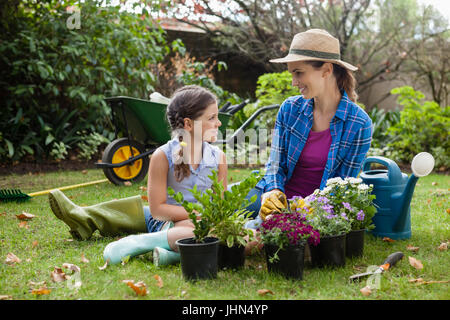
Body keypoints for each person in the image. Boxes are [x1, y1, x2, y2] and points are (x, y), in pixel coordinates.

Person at [48, 85, 228, 266]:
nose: (218, 123)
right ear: (189, 124)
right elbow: (157, 210)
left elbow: (219, 205)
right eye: (212, 118)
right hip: (170, 224)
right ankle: (138, 243)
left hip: (205, 223)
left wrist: (209, 219)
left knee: (230, 234)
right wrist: (194, 213)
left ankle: (170, 256)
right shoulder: (163, 156)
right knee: (194, 232)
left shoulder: (218, 157)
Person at [245, 29, 373, 228]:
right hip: (277, 197)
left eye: (299, 73)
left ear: (327, 70)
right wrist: (273, 192)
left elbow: (343, 185)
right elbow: (275, 163)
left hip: (316, 209)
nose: (294, 82)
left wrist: (310, 205)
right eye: (292, 74)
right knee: (234, 208)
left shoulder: (358, 124)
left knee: (260, 234)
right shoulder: (290, 109)